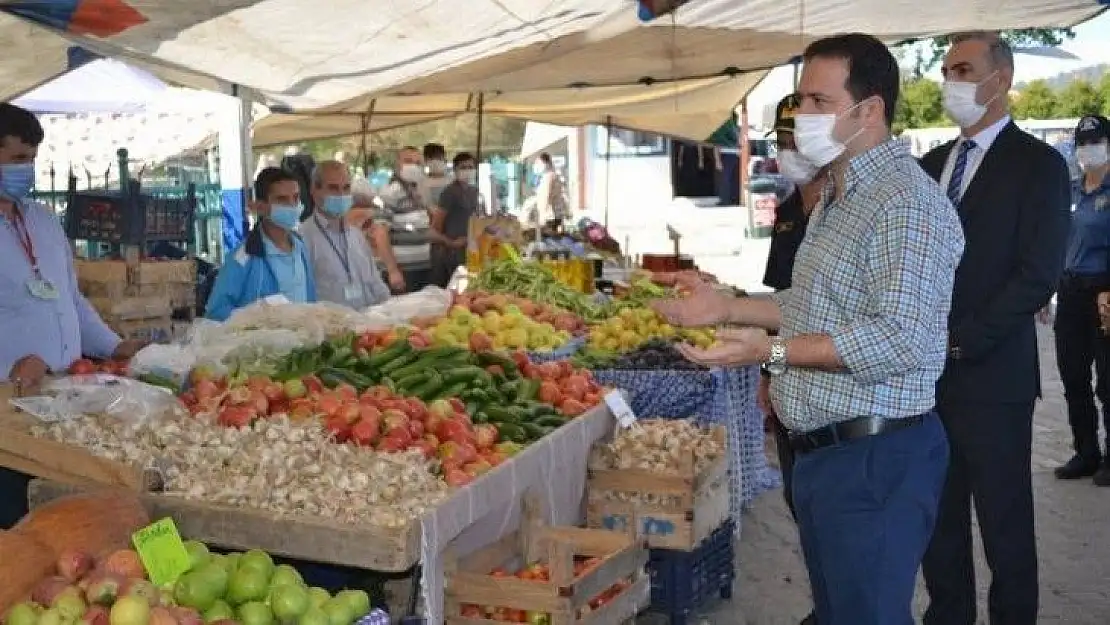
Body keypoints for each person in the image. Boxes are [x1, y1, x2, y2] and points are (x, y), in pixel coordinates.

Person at [652, 33, 964, 625]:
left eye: (819, 102)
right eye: (799, 101)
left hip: (876, 460)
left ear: (868, 111)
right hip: (827, 455)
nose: (802, 117)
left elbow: (902, 336)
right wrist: (728, 307)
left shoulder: (905, 202)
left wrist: (769, 351)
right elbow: (812, 303)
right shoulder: (839, 196)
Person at [918, 31, 1071, 625]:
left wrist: (964, 339)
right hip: (925, 378)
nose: (950, 82)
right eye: (946, 70)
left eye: (962, 69)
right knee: (940, 519)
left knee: (1005, 524)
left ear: (1000, 80)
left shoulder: (1038, 166)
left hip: (994, 379)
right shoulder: (930, 167)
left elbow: (1039, 274)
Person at [0, 103, 145, 527]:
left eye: (32, 159)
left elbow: (70, 299)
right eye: (16, 159)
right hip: (8, 404)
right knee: (17, 518)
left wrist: (114, 344)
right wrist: (10, 364)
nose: (26, 170)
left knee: (62, 513)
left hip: (61, 393)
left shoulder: (42, 221)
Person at [758, 93, 827, 625]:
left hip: (832, 373)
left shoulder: (843, 208)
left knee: (831, 503)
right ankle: (822, 600)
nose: (789, 150)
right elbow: (773, 303)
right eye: (782, 141)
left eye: (795, 139)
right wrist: (768, 370)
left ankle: (838, 604)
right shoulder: (785, 214)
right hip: (788, 373)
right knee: (797, 494)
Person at [1052, 115, 1110, 484]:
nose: (1089, 148)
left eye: (1097, 141)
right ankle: (1085, 451)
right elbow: (1059, 241)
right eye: (1084, 142)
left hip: (1104, 293)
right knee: (1073, 376)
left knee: (1107, 381)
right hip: (1071, 291)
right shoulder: (1071, 190)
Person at [205, 167, 317, 321]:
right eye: (282, 199)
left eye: (296, 198)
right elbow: (217, 311)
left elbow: (310, 300)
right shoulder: (244, 256)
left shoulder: (300, 247)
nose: (292, 205)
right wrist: (255, 324)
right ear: (260, 207)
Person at [298, 161, 390, 309]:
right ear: (314, 190)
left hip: (368, 323)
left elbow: (375, 282)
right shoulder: (303, 239)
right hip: (332, 327)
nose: (341, 195)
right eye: (333, 188)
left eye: (346, 188)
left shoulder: (356, 235)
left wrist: (391, 312)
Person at [375, 146, 432, 292]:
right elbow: (380, 233)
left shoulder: (418, 192)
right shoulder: (390, 192)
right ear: (397, 164)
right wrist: (393, 270)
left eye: (418, 163)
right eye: (408, 161)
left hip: (421, 268)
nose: (413, 166)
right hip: (402, 271)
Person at [429, 152, 481, 287]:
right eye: (463, 167)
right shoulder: (449, 192)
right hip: (451, 251)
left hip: (469, 248)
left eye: (471, 167)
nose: (468, 171)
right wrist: (449, 243)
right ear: (455, 170)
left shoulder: (474, 191)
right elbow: (436, 225)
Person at [533, 153, 567, 227]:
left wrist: (542, 216)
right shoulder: (552, 175)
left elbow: (546, 197)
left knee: (549, 236)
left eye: (538, 163)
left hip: (550, 215)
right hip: (555, 214)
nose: (536, 166)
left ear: (544, 163)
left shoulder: (549, 176)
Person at [421, 143, 452, 210]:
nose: (435, 161)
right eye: (431, 159)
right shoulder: (422, 182)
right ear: (425, 161)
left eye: (438, 158)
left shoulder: (453, 181)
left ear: (444, 159)